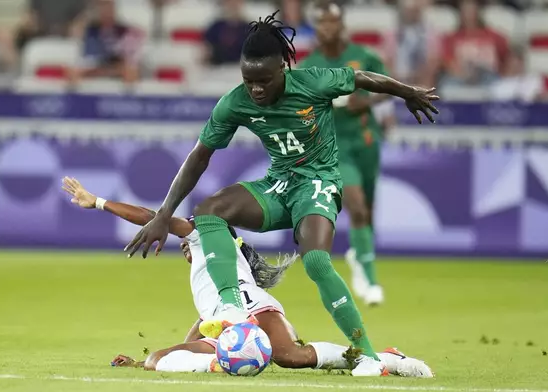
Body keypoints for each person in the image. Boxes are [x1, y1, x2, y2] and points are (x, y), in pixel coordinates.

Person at [124, 10, 439, 377]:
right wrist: (164, 214)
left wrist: (408, 93)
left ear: (283, 70)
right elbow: (199, 157)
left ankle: (370, 355)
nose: (256, 89)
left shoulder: (313, 82)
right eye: (248, 80)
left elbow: (360, 78)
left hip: (318, 182)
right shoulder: (235, 101)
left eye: (264, 80)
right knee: (210, 210)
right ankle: (230, 309)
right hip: (279, 184)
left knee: (317, 262)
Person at [62, 177, 433, 377]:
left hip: (249, 309)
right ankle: (381, 358)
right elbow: (205, 321)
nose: (182, 246)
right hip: (232, 317)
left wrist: (97, 202)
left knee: (288, 356)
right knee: (286, 356)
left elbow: (152, 216)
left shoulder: (201, 231)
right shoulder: (207, 266)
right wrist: (165, 352)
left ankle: (378, 358)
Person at [298, 1, 388, 306]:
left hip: (366, 142)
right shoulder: (309, 66)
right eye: (321, 23)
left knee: (368, 210)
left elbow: (388, 87)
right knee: (358, 207)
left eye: (332, 22)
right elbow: (299, 106)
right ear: (316, 27)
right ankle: (373, 280)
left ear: (341, 24)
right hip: (335, 149)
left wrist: (367, 102)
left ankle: (360, 260)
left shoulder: (364, 57)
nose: (327, 28)